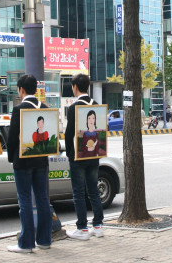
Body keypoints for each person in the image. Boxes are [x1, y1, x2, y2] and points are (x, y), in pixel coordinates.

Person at [7, 74, 51, 253]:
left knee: (25, 200)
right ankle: (45, 240)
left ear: (21, 90)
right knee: (42, 198)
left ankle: (26, 243)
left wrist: (11, 158)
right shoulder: (45, 108)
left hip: (23, 162)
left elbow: (12, 138)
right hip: (42, 161)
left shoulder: (19, 109)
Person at [65, 73, 104, 240]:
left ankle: (82, 228)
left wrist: (70, 154)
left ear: (75, 87)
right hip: (94, 155)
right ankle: (98, 226)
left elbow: (69, 134)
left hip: (79, 156)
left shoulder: (74, 107)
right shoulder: (96, 105)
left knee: (79, 193)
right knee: (94, 190)